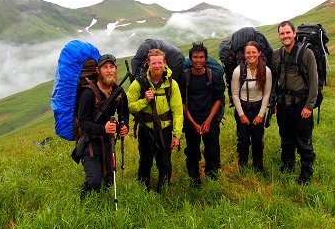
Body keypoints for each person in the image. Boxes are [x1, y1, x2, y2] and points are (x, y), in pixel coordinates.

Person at [127, 49, 183, 192]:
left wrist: (177, 135)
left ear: (164, 63)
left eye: (160, 62)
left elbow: (177, 111)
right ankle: (143, 190)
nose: (157, 66)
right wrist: (144, 101)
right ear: (148, 64)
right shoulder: (139, 83)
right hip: (146, 128)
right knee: (145, 160)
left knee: (164, 161)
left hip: (165, 128)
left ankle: (163, 190)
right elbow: (129, 107)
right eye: (154, 63)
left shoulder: (172, 84)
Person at [272, 21, 318, 185]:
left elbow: (314, 82)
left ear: (294, 33)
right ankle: (288, 165)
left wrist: (309, 106)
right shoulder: (277, 55)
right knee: (286, 138)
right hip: (283, 105)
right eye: (282, 34)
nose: (285, 36)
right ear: (279, 36)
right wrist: (274, 101)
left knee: (304, 140)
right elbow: (274, 80)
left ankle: (306, 173)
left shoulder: (307, 54)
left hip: (301, 105)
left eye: (287, 33)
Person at [77, 54, 129, 198]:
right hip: (90, 143)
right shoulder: (88, 93)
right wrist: (103, 129)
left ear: (116, 69)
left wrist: (125, 127)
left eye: (111, 67)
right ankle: (83, 203)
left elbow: (124, 113)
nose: (109, 70)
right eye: (105, 67)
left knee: (109, 180)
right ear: (98, 70)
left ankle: (104, 206)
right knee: (94, 182)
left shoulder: (119, 92)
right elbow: (83, 122)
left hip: (108, 142)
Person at [179, 42, 225, 187]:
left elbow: (219, 99)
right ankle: (195, 180)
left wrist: (208, 121)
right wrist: (193, 123)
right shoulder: (184, 77)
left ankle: (212, 179)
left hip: (210, 120)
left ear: (206, 59)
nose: (198, 60)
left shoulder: (213, 76)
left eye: (201, 57)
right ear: (190, 59)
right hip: (191, 120)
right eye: (195, 57)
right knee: (192, 152)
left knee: (212, 151)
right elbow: (182, 103)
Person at [231, 41, 272, 173]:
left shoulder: (266, 71)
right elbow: (235, 95)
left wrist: (261, 115)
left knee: (257, 140)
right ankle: (242, 165)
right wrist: (241, 115)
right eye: (248, 52)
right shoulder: (238, 71)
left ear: (259, 53)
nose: (251, 55)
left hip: (258, 107)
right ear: (244, 54)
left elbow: (266, 94)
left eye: (253, 52)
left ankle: (258, 166)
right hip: (243, 107)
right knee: (243, 139)